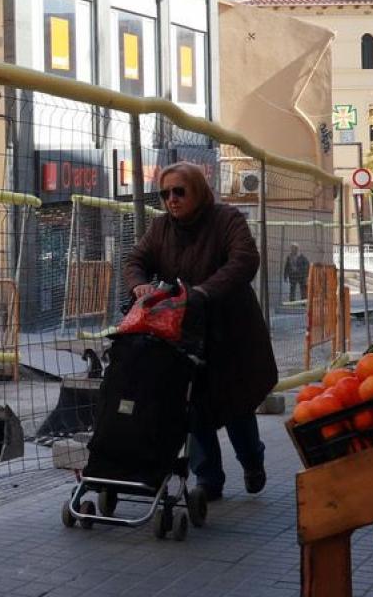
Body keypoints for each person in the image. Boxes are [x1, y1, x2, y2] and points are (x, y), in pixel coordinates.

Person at [121, 162, 277, 501]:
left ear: (198, 191)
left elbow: (245, 259)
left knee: (236, 403)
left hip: (230, 330)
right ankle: (208, 479)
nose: (171, 199)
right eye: (165, 194)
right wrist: (139, 285)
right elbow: (135, 260)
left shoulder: (226, 219)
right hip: (186, 332)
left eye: (179, 191)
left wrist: (205, 292)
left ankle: (252, 460)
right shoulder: (161, 228)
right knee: (192, 405)